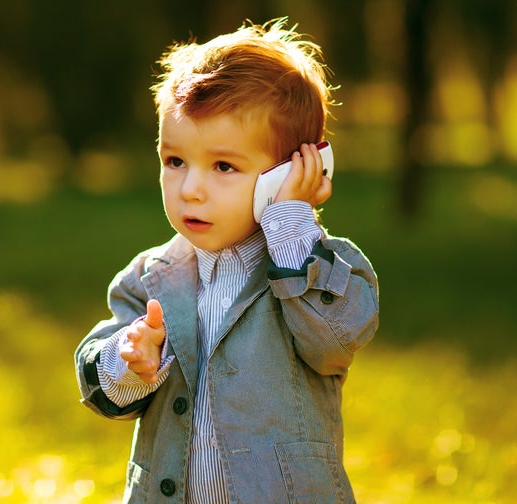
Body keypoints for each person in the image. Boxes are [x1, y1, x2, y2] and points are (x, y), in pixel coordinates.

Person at [75, 18, 379, 503]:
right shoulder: (151, 278)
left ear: (295, 170)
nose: (190, 189)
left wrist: (291, 224)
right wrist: (129, 361)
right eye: (174, 161)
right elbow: (97, 388)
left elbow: (334, 341)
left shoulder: (324, 265)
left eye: (223, 167)